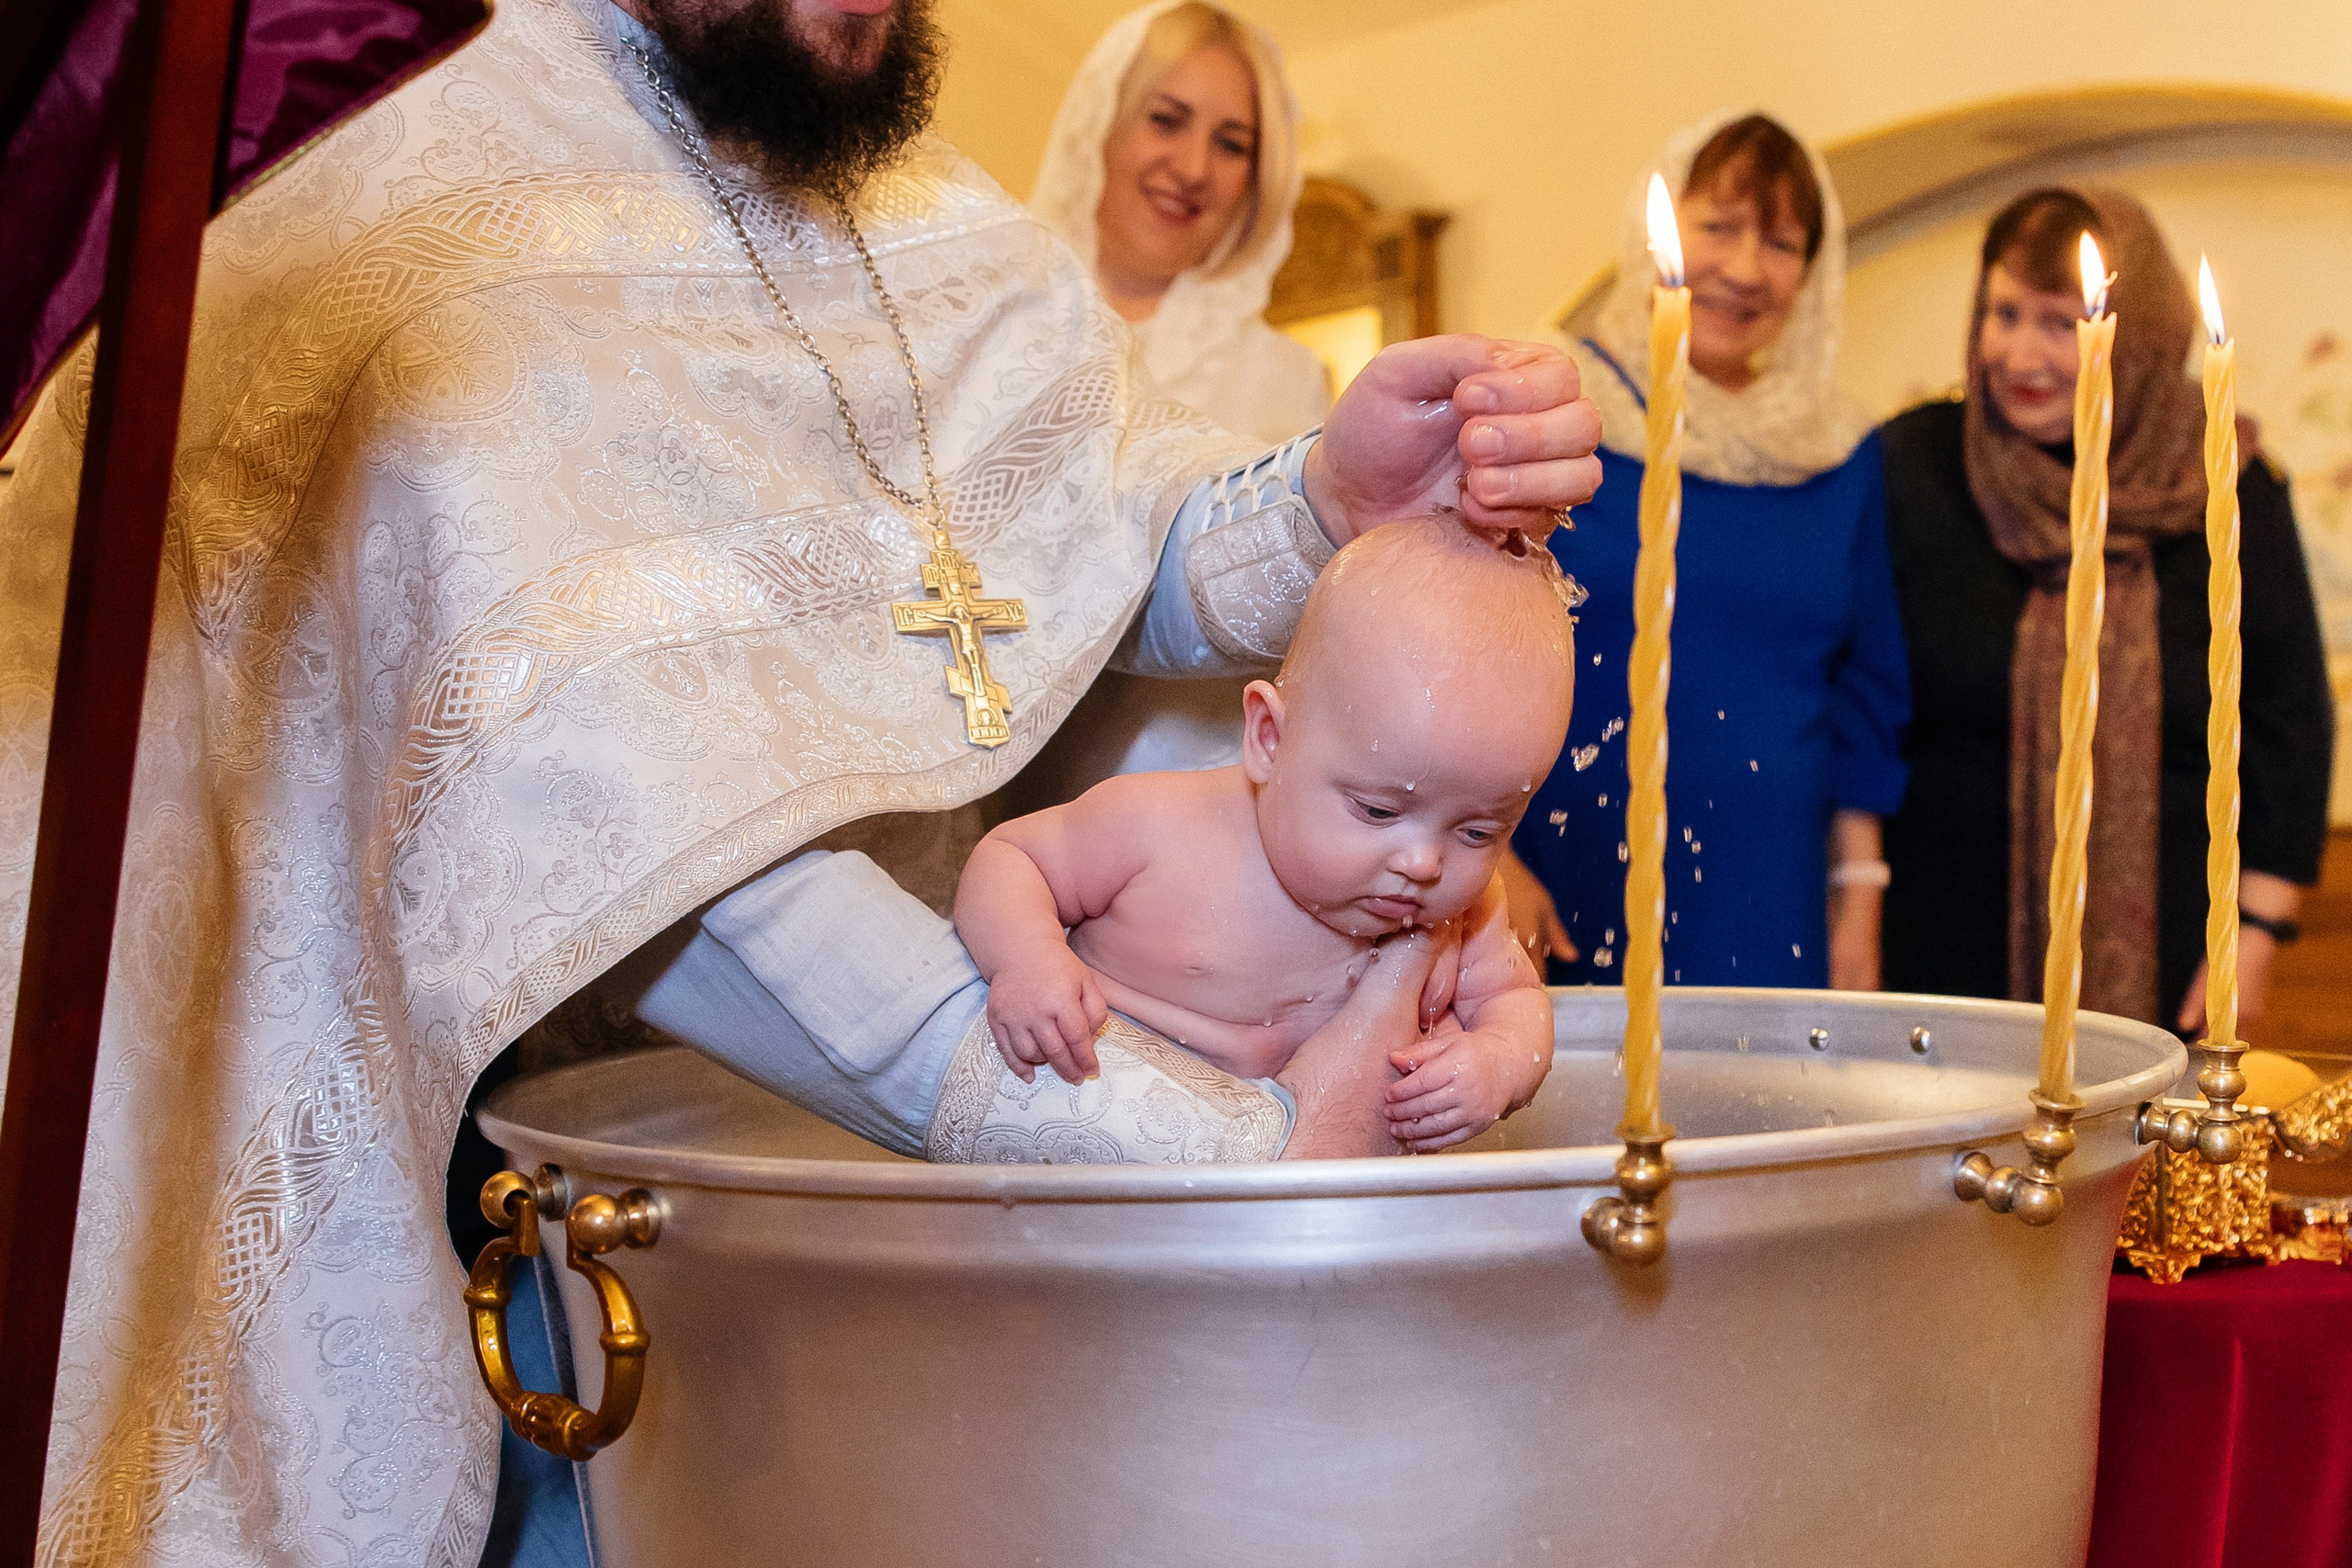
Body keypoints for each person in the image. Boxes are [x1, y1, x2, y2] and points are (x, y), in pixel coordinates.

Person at [0, 0, 1603, 1560]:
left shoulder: (931, 215)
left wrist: (1329, 500)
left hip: (890, 1208)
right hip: (502, 1212)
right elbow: (654, 848)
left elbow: (1079, 565)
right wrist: (1231, 1146)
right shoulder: (401, 175)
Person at [955, 516, 1572, 1153]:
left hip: (1314, 1208)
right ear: (1269, 740)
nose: (1423, 861)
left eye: (1477, 830)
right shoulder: (1158, 829)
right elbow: (1009, 857)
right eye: (1377, 811)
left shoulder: (1471, 909)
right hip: (1114, 1152)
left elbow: (1520, 1004)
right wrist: (1028, 958)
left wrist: (1497, 1063)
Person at [1881, 187, 2332, 1032]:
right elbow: (1854, 693)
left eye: (2062, 322)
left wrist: (2259, 930)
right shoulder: (1917, 466)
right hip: (1937, 942)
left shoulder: (2226, 483)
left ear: (2145, 330)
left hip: (2165, 941)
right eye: (2002, 312)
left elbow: (2286, 717)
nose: (2020, 353)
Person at [1509, 111, 1909, 992]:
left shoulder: (1841, 449)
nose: (1743, 267)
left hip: (1772, 884)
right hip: (1562, 856)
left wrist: (1861, 899)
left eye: (1781, 241)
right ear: (1654, 233)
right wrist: (1488, 860)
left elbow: (1865, 690)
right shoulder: (1554, 408)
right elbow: (1460, 643)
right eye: (1717, 225)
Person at [1021, 1, 1331, 783]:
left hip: (1204, 799)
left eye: (1232, 144)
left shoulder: (1289, 379)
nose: (1193, 168)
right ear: (1103, 123)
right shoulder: (998, 327)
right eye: (1166, 120)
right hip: (993, 786)